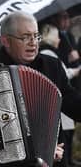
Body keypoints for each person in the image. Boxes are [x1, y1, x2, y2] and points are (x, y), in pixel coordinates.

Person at [0, 11, 81, 165]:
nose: (33, 42)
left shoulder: (52, 65)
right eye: (25, 37)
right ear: (6, 41)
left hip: (55, 158)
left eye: (36, 36)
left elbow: (70, 101)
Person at [39, 24, 81, 167]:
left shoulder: (51, 54)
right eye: (57, 36)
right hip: (59, 109)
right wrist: (77, 70)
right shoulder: (48, 54)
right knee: (65, 140)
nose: (59, 40)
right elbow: (65, 74)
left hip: (63, 105)